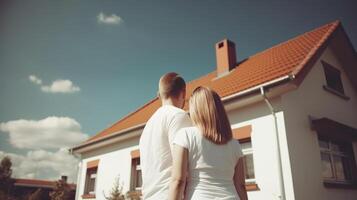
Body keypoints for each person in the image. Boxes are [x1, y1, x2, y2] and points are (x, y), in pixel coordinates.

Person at [169, 86, 248, 200]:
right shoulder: (235, 144)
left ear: (195, 110)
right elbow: (240, 186)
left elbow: (178, 181)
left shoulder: (185, 135)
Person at [139, 72, 192, 200]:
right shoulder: (178, 116)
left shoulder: (148, 127)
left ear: (160, 95)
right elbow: (184, 169)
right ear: (183, 93)